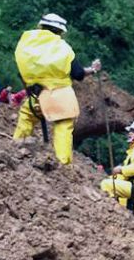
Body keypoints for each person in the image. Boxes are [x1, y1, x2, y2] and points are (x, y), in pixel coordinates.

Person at [13, 13, 102, 165]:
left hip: (35, 95)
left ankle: (15, 150)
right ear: (60, 31)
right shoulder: (63, 48)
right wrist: (93, 70)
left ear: (41, 26)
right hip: (60, 97)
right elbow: (78, 74)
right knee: (63, 127)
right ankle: (63, 165)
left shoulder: (25, 43)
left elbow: (20, 71)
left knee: (27, 118)